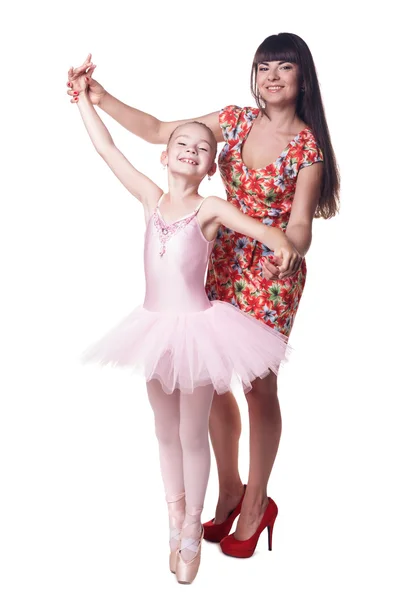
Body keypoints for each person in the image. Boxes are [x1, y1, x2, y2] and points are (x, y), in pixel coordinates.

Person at [67, 32, 339, 558]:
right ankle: (230, 487)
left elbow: (301, 223)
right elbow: (158, 130)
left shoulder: (309, 147)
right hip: (217, 253)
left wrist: (289, 247)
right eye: (265, 67)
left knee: (259, 387)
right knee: (208, 379)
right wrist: (98, 97)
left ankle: (257, 502)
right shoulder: (234, 121)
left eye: (285, 68)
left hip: (270, 271)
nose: (273, 77)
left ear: (303, 77)